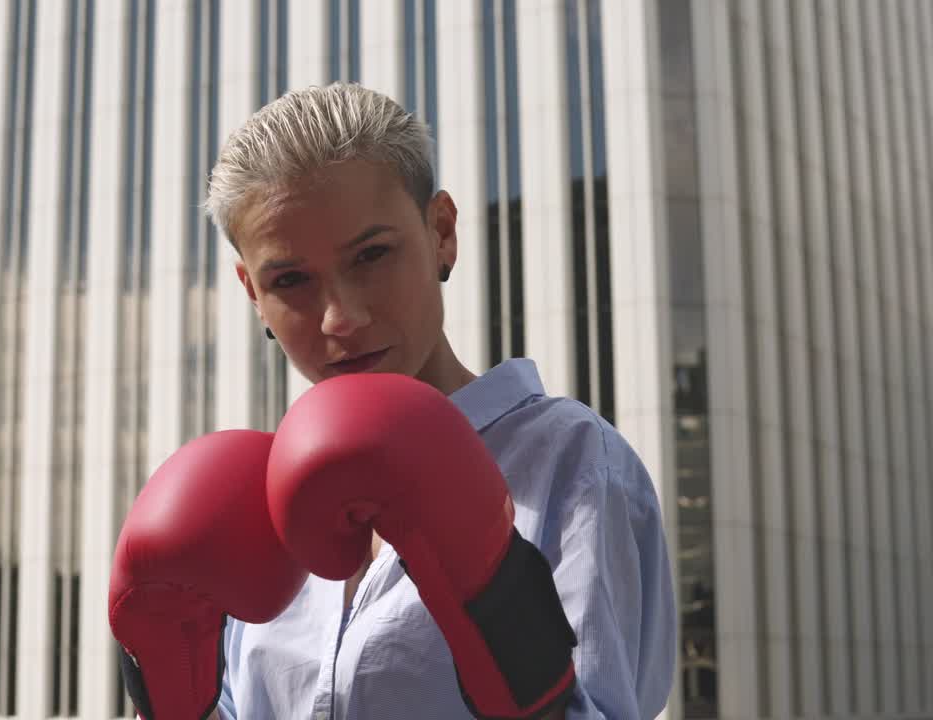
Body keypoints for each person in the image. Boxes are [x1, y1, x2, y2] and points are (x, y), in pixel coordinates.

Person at [111, 82, 675, 720]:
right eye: (290, 280)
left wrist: (512, 636)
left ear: (441, 232)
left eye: (371, 255)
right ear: (251, 291)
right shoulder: (258, 507)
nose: (341, 319)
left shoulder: (569, 462)